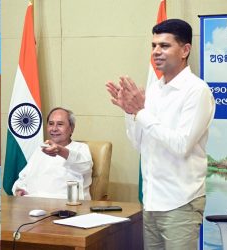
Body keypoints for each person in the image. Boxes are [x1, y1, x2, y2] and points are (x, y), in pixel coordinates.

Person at [106, 19, 215, 249]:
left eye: (164, 46)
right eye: (154, 45)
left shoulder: (197, 91)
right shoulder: (155, 88)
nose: (156, 52)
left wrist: (140, 112)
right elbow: (140, 143)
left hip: (181, 202)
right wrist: (130, 113)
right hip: (152, 200)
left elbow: (181, 145)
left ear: (185, 50)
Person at [12, 107, 93, 199]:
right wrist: (19, 189)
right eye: (51, 124)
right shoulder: (40, 149)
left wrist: (60, 150)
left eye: (60, 124)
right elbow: (23, 177)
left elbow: (85, 167)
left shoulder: (80, 147)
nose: (54, 129)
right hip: (31, 204)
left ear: (71, 128)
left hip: (66, 206)